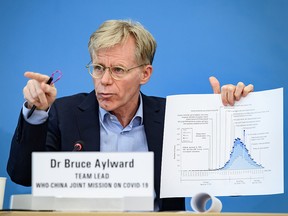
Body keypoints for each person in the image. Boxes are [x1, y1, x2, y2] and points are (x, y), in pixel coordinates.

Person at [7, 19, 254, 211]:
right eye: (98, 68)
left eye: (117, 70)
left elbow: (231, 185)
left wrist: (226, 118)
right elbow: (23, 176)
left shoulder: (174, 118)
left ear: (145, 74)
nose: (104, 80)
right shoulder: (64, 112)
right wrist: (37, 113)